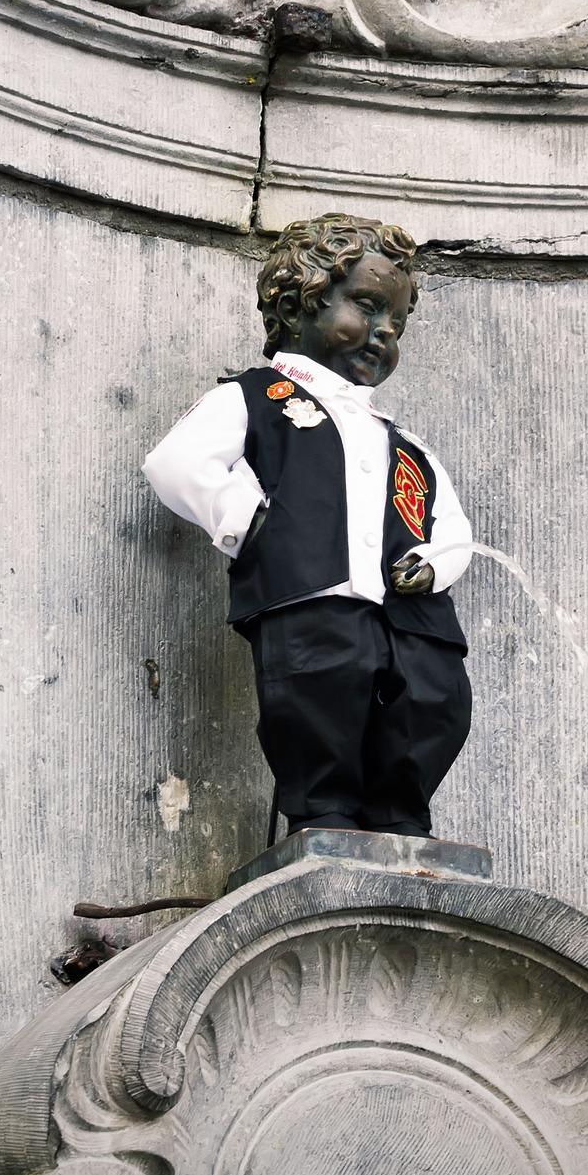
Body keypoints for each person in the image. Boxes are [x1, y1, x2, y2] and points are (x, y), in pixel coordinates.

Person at [142, 212, 474, 840]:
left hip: (411, 620)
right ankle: (322, 816)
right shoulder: (257, 396)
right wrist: (251, 523)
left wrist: (434, 563)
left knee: (433, 703)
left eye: (396, 324)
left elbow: (452, 525)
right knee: (317, 701)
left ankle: (402, 818)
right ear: (299, 305)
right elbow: (177, 461)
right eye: (367, 307)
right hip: (311, 600)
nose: (381, 333)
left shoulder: (406, 443)